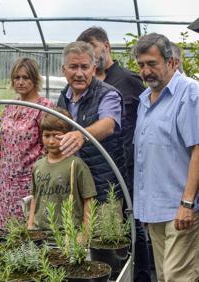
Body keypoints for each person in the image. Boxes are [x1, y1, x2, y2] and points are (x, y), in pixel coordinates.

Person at [77, 26, 151, 282]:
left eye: (93, 49)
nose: (90, 56)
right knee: (106, 228)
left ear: (106, 47)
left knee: (134, 224)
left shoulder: (128, 79)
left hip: (129, 163)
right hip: (102, 167)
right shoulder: (90, 84)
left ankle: (141, 275)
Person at [133, 32, 199, 282]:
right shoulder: (145, 100)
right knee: (163, 276)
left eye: (152, 63)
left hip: (180, 209)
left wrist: (187, 203)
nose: (146, 71)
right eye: (141, 65)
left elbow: (198, 150)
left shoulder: (190, 93)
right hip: (155, 209)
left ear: (171, 62)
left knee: (177, 277)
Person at [57, 41, 126, 206]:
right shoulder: (63, 97)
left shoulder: (107, 94)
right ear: (63, 70)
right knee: (70, 231)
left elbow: (108, 125)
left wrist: (81, 135)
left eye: (85, 67)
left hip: (103, 188)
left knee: (105, 230)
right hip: (72, 187)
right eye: (73, 67)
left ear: (93, 69)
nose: (79, 73)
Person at [0, 57, 53, 229]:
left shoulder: (44, 107)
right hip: (5, 183)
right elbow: (2, 149)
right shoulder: (10, 107)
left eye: (26, 77)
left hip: (28, 182)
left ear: (35, 79)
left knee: (25, 232)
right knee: (2, 234)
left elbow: (49, 149)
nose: (21, 82)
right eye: (17, 78)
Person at [27, 107, 97, 234]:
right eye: (47, 136)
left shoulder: (76, 165)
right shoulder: (38, 166)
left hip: (68, 232)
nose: (51, 141)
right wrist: (30, 224)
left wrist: (85, 233)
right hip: (40, 232)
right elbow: (34, 198)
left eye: (57, 136)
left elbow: (88, 200)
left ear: (67, 135)